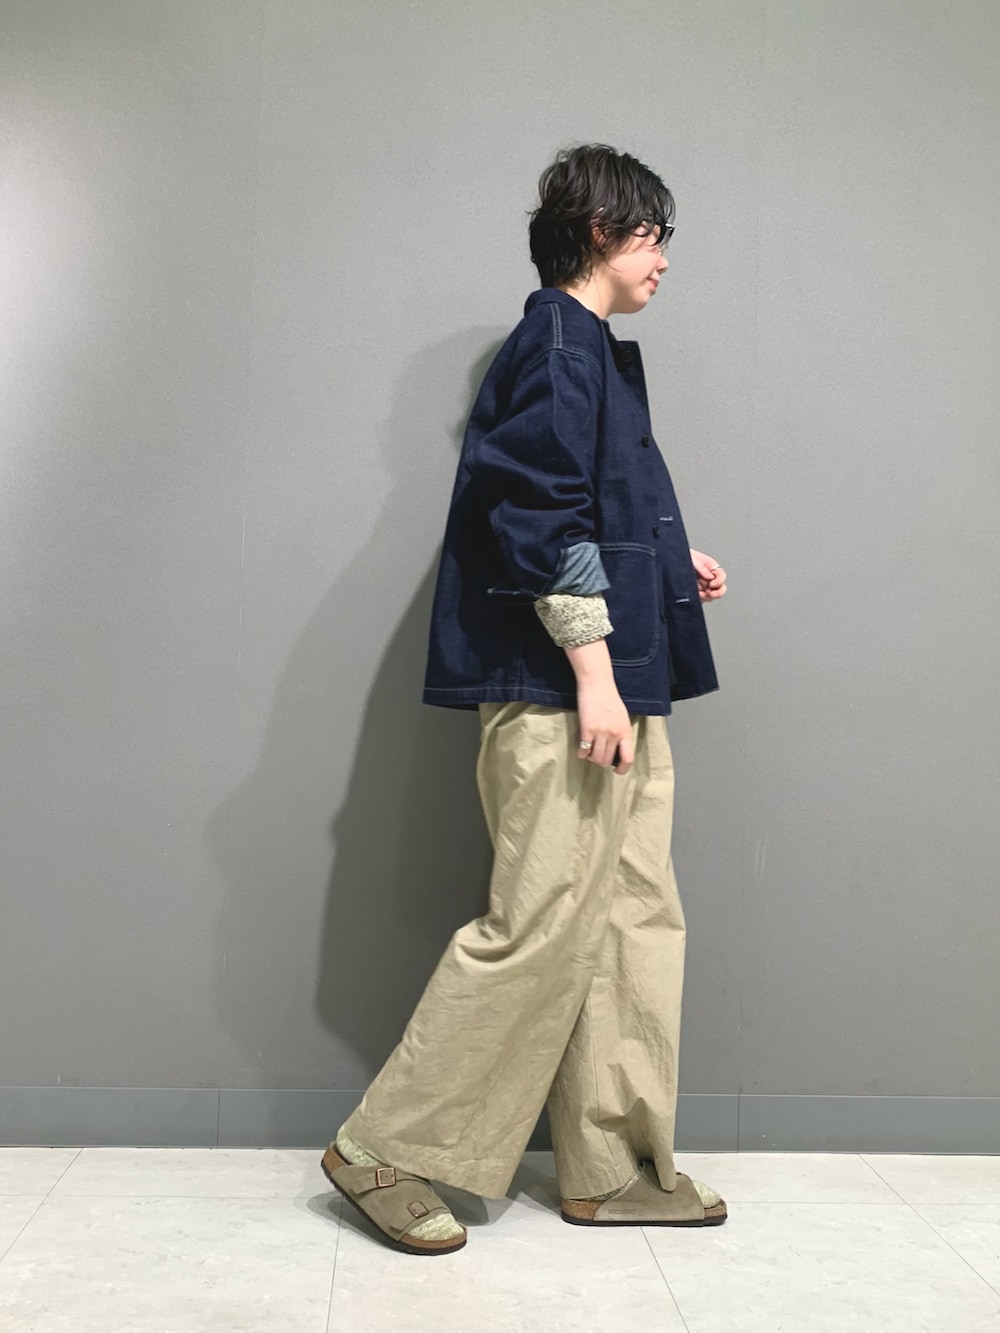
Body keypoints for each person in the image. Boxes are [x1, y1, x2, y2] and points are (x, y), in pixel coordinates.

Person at [322, 143, 729, 1254]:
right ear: (601, 231)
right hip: (569, 690)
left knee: (634, 917)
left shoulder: (590, 351)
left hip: (617, 685)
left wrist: (669, 557)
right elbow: (537, 519)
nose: (662, 260)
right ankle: (383, 1148)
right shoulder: (555, 344)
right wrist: (593, 671)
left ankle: (611, 1166)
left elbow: (588, 503)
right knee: (542, 921)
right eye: (652, 237)